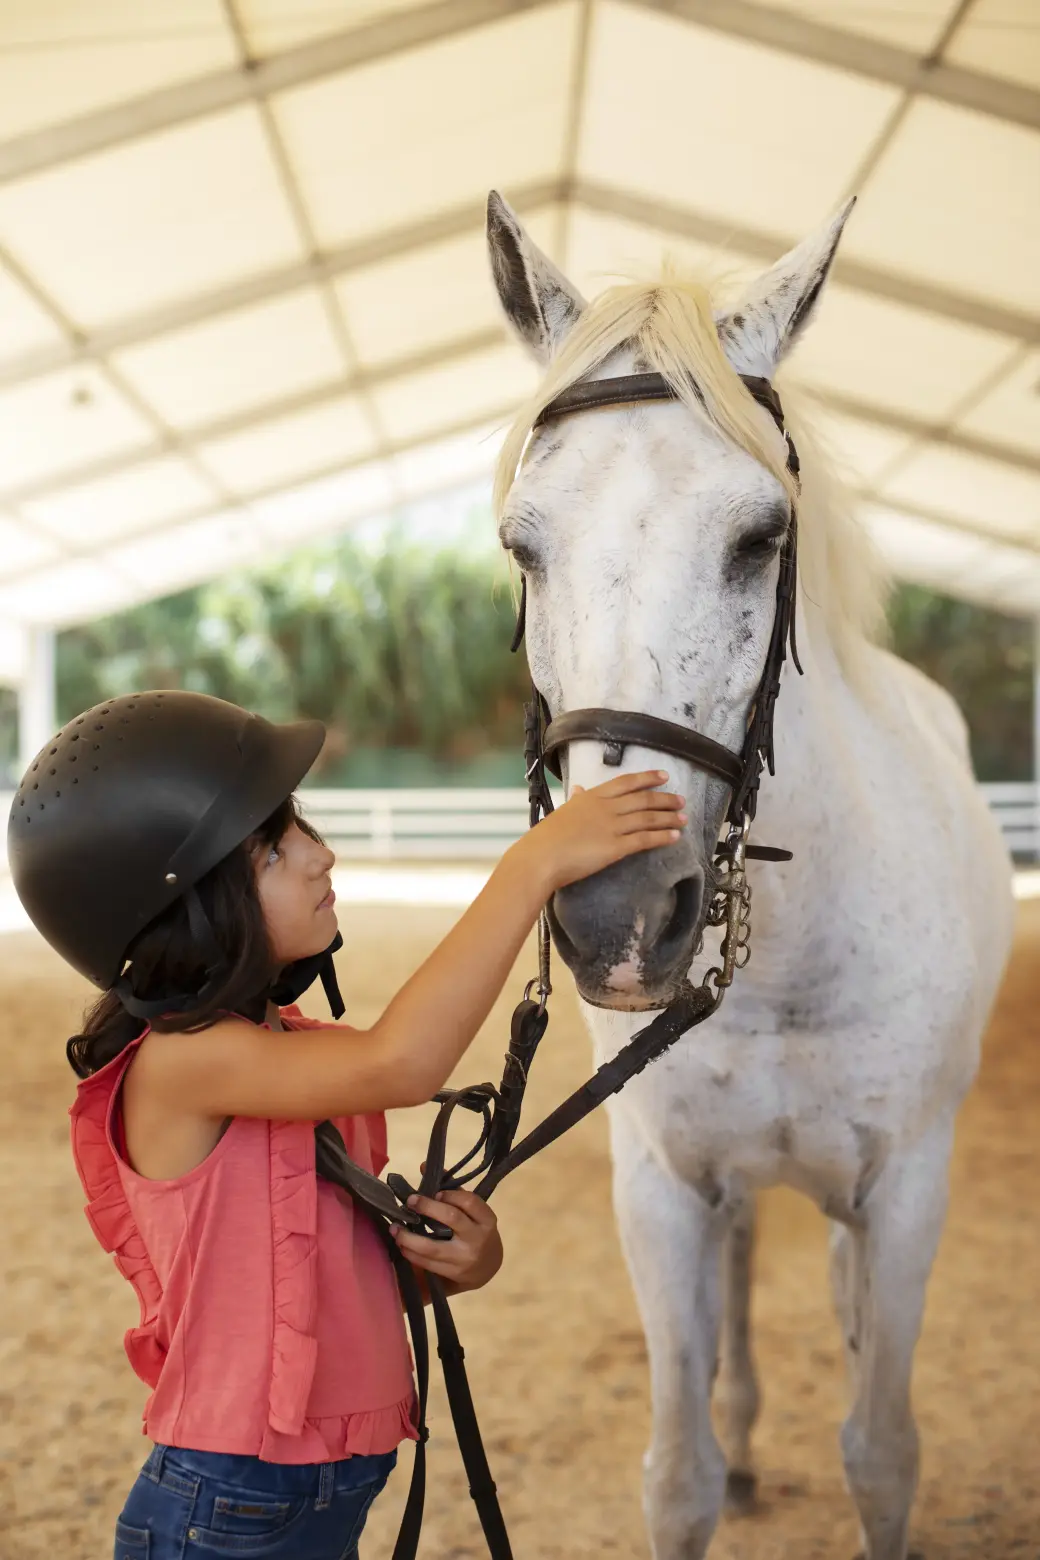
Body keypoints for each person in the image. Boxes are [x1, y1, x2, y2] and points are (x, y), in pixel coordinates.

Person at [7, 689, 686, 1560]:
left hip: (299, 1498)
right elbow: (401, 1064)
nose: (319, 854)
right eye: (273, 848)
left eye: (301, 827)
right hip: (225, 1501)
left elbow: (315, 1284)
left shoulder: (295, 1057)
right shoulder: (182, 1062)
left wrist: (454, 1265)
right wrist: (531, 869)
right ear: (186, 908)